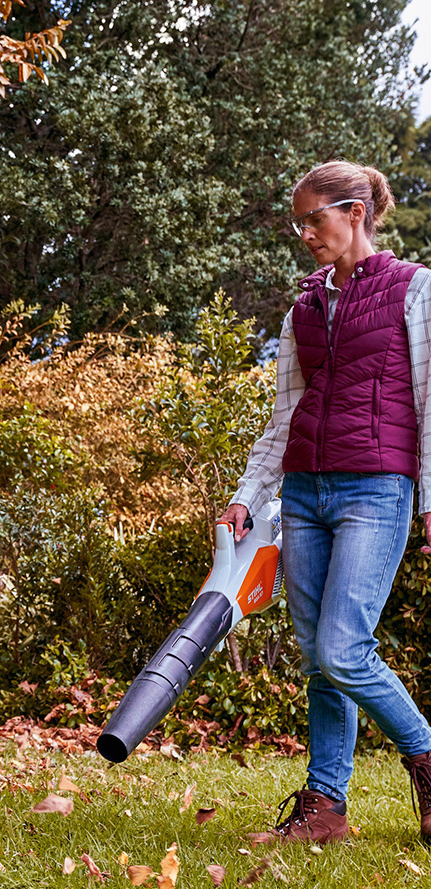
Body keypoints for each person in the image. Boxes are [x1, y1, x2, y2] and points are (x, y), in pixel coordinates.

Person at [220, 160, 431, 844]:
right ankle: (324, 809)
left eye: (316, 219)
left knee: (343, 648)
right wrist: (248, 496)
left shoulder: (414, 289)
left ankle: (425, 754)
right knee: (318, 659)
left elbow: (430, 401)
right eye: (299, 224)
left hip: (376, 489)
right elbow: (283, 415)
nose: (306, 233)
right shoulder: (303, 309)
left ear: (355, 212)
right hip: (305, 494)